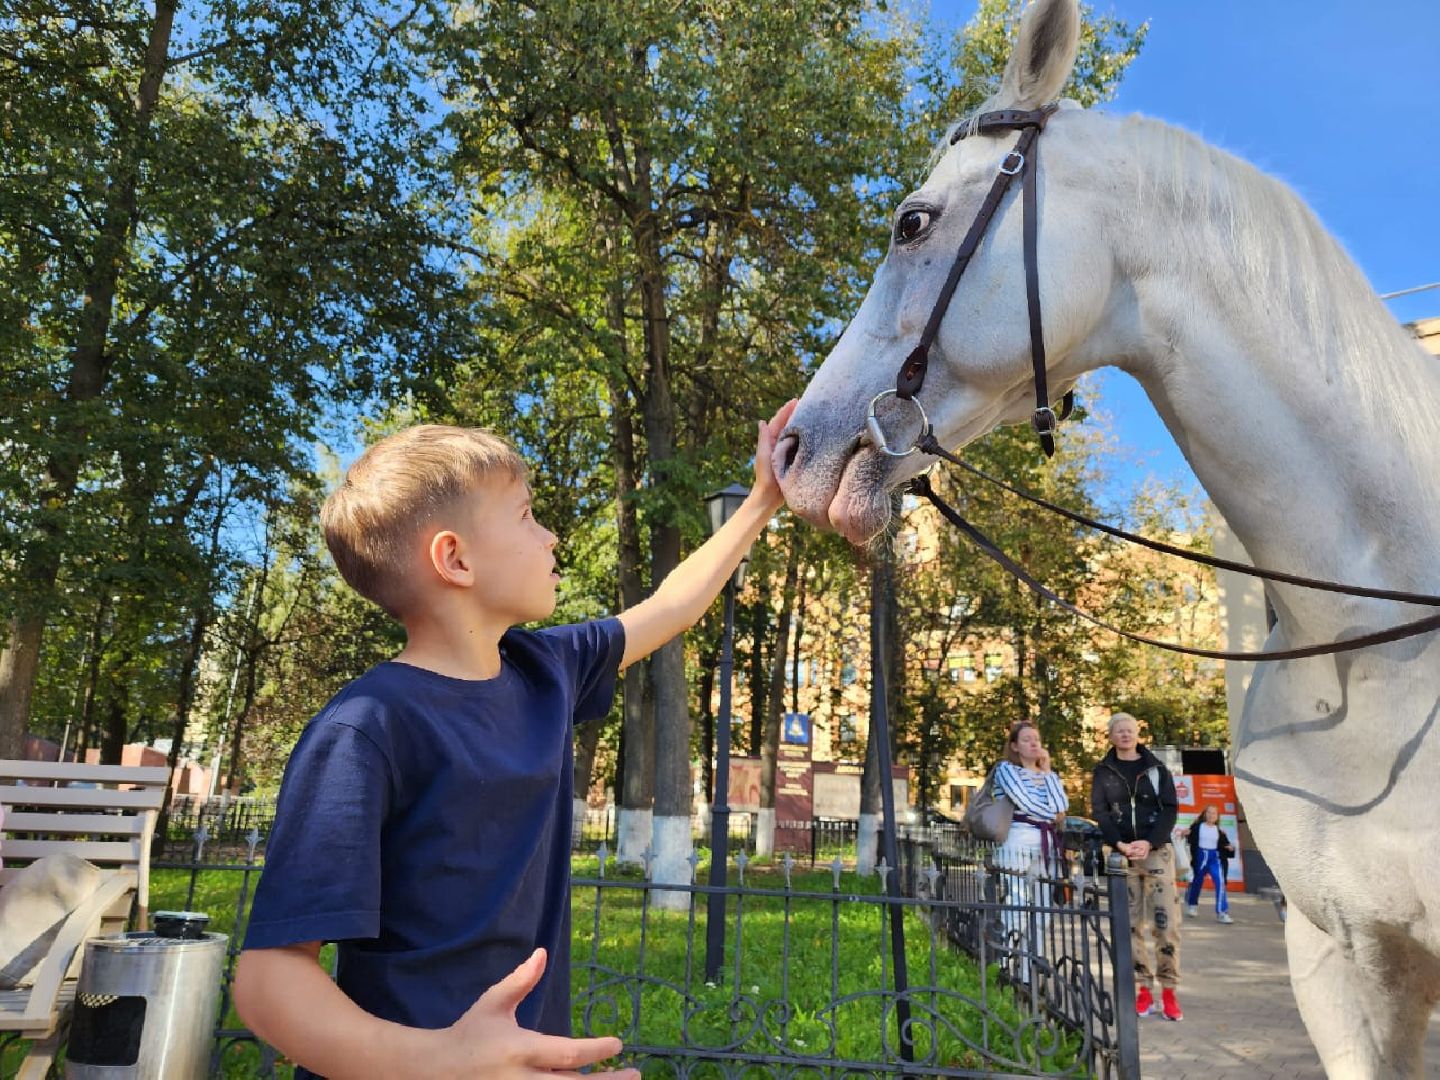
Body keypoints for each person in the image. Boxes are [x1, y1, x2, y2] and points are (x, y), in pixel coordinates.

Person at [233, 402, 796, 1079]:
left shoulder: (545, 670)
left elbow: (670, 606)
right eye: (527, 516)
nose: (551, 536)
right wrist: (447, 1062)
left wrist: (763, 497)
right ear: (456, 559)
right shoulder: (366, 728)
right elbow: (269, 983)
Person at [1090, 712, 1182, 1022]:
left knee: (1165, 923)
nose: (1125, 735)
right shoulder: (1104, 772)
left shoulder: (1156, 769)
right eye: (1119, 731)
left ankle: (1169, 992)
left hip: (1156, 855)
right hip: (1122, 856)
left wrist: (1151, 842)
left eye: (1130, 730)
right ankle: (1143, 990)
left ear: (1137, 733)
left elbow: (1170, 808)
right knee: (1129, 927)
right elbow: (1100, 812)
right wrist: (1119, 844)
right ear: (1112, 736)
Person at [990, 721, 1068, 983]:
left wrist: (1047, 773)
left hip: (1045, 844)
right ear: (1014, 746)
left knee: (1043, 908)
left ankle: (1028, 968)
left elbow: (1062, 808)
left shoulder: (1049, 775)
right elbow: (1025, 802)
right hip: (1017, 840)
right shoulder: (1006, 770)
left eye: (1036, 739)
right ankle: (1006, 963)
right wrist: (1052, 814)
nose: (1034, 743)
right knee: (1018, 903)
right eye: (1026, 740)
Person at [1181, 804, 1236, 924]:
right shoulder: (1197, 827)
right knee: (1197, 881)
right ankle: (1192, 905)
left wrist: (1230, 847)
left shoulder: (1220, 831)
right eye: (1209, 813)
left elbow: (1225, 845)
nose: (1211, 815)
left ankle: (1222, 913)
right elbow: (1189, 838)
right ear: (1205, 814)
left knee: (1220, 882)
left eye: (1214, 813)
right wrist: (1185, 834)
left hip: (1214, 859)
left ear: (1217, 817)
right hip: (1200, 857)